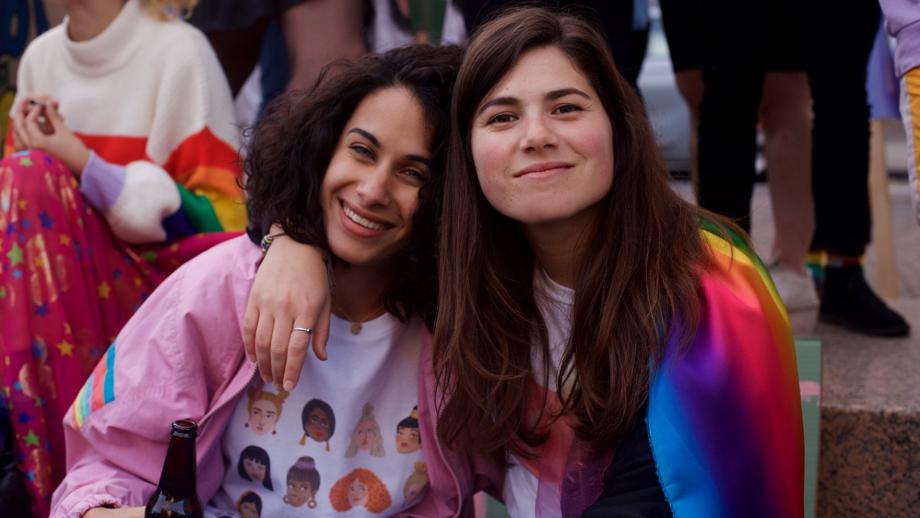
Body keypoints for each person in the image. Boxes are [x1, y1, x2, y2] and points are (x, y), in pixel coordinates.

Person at [244, 7, 804, 517]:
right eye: (502, 117)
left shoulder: (709, 288)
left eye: (566, 108)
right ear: (464, 161)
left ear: (619, 127)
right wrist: (290, 241)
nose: (536, 136)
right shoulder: (468, 261)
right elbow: (337, 195)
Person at [49, 44, 463, 518]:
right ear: (322, 148)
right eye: (362, 151)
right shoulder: (221, 287)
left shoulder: (462, 322)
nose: (372, 190)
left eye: (413, 173)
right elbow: (95, 484)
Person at [0, 0, 246, 514]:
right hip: (60, 313)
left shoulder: (179, 52)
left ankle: (58, 488)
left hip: (158, 304)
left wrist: (81, 165)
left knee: (30, 177)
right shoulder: (41, 57)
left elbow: (226, 224)